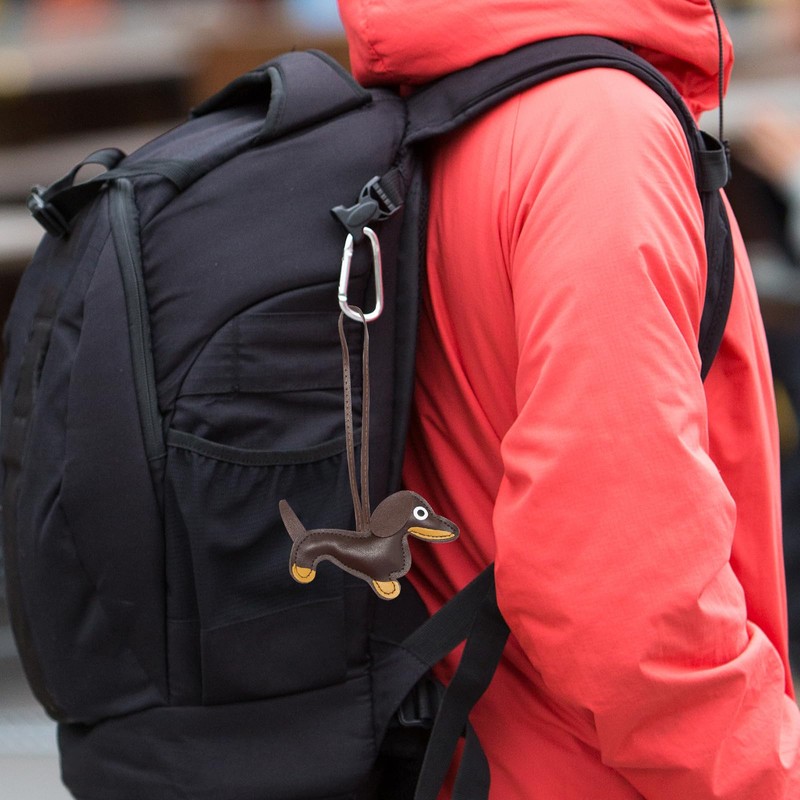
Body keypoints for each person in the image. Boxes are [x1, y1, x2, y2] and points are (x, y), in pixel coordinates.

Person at [336, 0, 800, 797]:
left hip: (485, 748)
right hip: (603, 770)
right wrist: (769, 774)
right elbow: (624, 595)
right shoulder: (601, 130)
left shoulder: (463, 96)